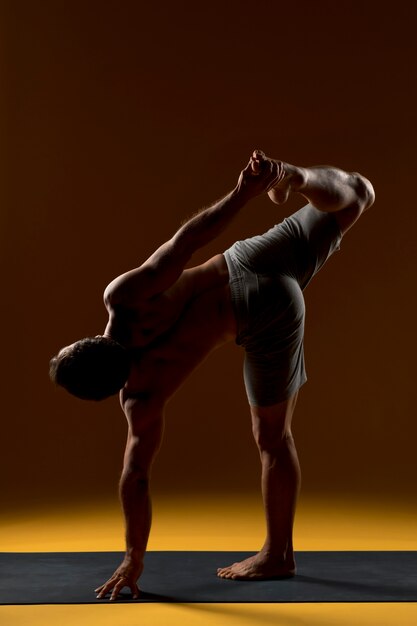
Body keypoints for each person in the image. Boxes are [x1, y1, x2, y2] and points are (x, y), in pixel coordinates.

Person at [49, 150, 375, 600]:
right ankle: (294, 176)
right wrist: (244, 193)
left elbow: (135, 476)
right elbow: (187, 242)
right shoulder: (124, 300)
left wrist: (132, 558)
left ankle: (278, 554)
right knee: (357, 191)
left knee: (274, 439)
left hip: (262, 314)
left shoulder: (141, 396)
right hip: (248, 262)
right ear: (90, 340)